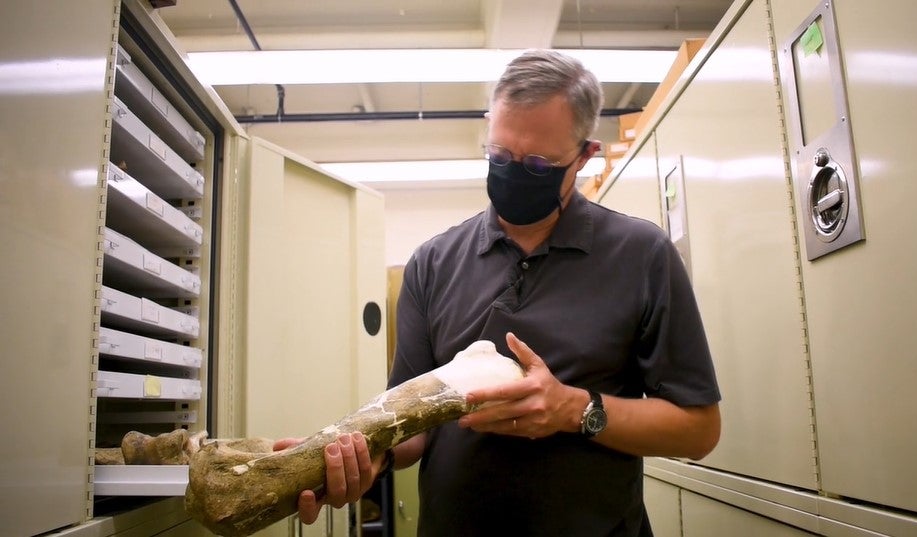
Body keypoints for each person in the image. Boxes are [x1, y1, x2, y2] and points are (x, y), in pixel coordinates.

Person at [275, 49, 721, 536]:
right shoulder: (433, 263)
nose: (512, 172)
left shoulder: (641, 255)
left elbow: (698, 429)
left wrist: (574, 409)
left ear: (584, 156)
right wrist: (363, 457)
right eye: (500, 156)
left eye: (536, 163)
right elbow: (411, 433)